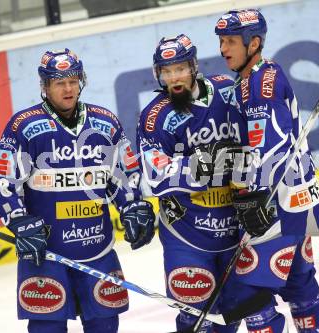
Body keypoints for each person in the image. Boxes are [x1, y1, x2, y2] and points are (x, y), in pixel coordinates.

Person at [0, 48, 155, 333]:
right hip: (46, 254)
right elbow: (2, 179)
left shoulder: (105, 123)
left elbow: (123, 176)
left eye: (73, 80)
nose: (68, 88)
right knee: (46, 328)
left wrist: (132, 206)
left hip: (97, 248)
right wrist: (18, 220)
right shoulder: (24, 127)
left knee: (104, 325)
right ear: (45, 87)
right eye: (59, 82)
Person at [214, 9, 319, 333]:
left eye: (230, 41)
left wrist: (252, 194)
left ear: (253, 43)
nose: (223, 49)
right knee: (303, 292)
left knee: (251, 299)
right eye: (221, 41)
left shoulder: (258, 86)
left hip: (274, 211)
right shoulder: (260, 76)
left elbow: (270, 146)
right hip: (295, 204)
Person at [136, 34, 242, 333]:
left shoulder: (227, 89)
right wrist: (210, 163)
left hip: (235, 226)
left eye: (179, 69)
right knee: (194, 318)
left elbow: (256, 135)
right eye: (166, 72)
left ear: (194, 66)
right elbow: (156, 176)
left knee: (232, 314)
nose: (174, 78)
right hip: (187, 234)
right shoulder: (154, 117)